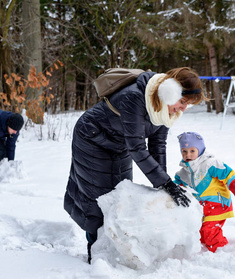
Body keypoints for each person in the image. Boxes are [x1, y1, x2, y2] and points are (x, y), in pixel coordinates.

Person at [64, 67, 208, 263]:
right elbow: (138, 148)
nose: (183, 109)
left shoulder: (165, 108)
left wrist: (164, 185)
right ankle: (96, 254)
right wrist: (165, 183)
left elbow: (157, 145)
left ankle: (112, 250)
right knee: (98, 197)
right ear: (170, 90)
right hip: (92, 138)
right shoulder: (135, 97)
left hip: (119, 142)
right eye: (182, 102)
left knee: (119, 195)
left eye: (187, 105)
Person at [173, 132, 235, 252]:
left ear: (201, 150)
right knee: (201, 233)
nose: (188, 154)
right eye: (184, 151)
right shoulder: (182, 174)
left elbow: (231, 177)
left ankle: (220, 252)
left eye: (192, 150)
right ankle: (206, 251)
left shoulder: (211, 164)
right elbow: (175, 189)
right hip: (202, 208)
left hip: (218, 204)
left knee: (210, 232)